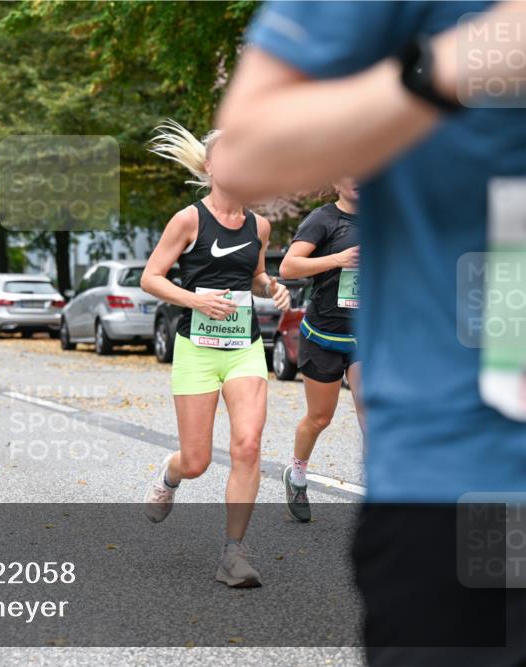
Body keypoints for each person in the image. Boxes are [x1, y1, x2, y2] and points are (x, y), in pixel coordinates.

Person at [215, 1, 525, 662]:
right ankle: (300, 468)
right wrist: (461, 61)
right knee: (317, 416)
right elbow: (247, 160)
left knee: (360, 413)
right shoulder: (323, 221)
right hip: (470, 473)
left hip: (367, 341)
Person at [139, 120, 290, 587]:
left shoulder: (259, 226)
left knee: (248, 445)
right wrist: (196, 300)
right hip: (197, 349)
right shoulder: (188, 220)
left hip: (245, 347)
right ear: (209, 166)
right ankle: (170, 475)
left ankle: (233, 554)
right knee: (197, 460)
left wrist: (271, 287)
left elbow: (255, 277)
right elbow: (151, 277)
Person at [278, 178, 365, 522]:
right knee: (320, 418)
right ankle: (297, 475)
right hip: (323, 335)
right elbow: (288, 267)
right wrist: (337, 259)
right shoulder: (324, 219)